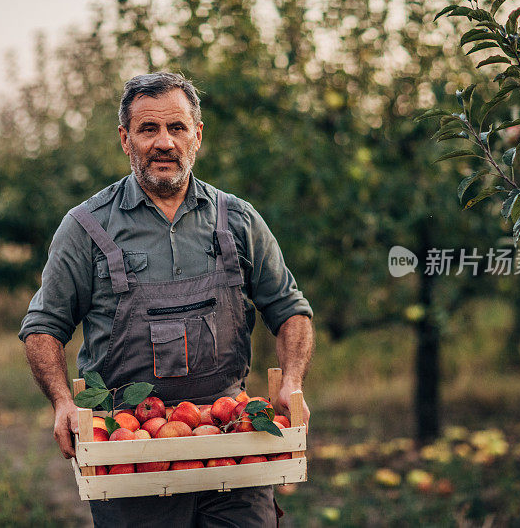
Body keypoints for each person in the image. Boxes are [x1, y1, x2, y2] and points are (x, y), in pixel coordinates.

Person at [20, 71, 314, 527]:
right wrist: (62, 402)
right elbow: (43, 325)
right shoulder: (86, 228)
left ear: (197, 135)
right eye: (148, 129)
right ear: (125, 139)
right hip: (129, 449)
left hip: (230, 438)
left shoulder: (237, 220)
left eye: (176, 128)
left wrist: (291, 381)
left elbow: (290, 309)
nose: (164, 142)